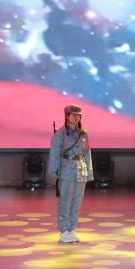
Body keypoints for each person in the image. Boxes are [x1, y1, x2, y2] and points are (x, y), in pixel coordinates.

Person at [47, 104, 94, 243]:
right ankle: (64, 230)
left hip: (80, 171)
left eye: (79, 115)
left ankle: (72, 229)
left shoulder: (83, 134)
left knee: (77, 203)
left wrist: (89, 172)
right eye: (74, 115)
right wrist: (53, 173)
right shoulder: (60, 134)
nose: (77, 117)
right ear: (67, 116)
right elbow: (54, 154)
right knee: (64, 202)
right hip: (66, 171)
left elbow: (87, 154)